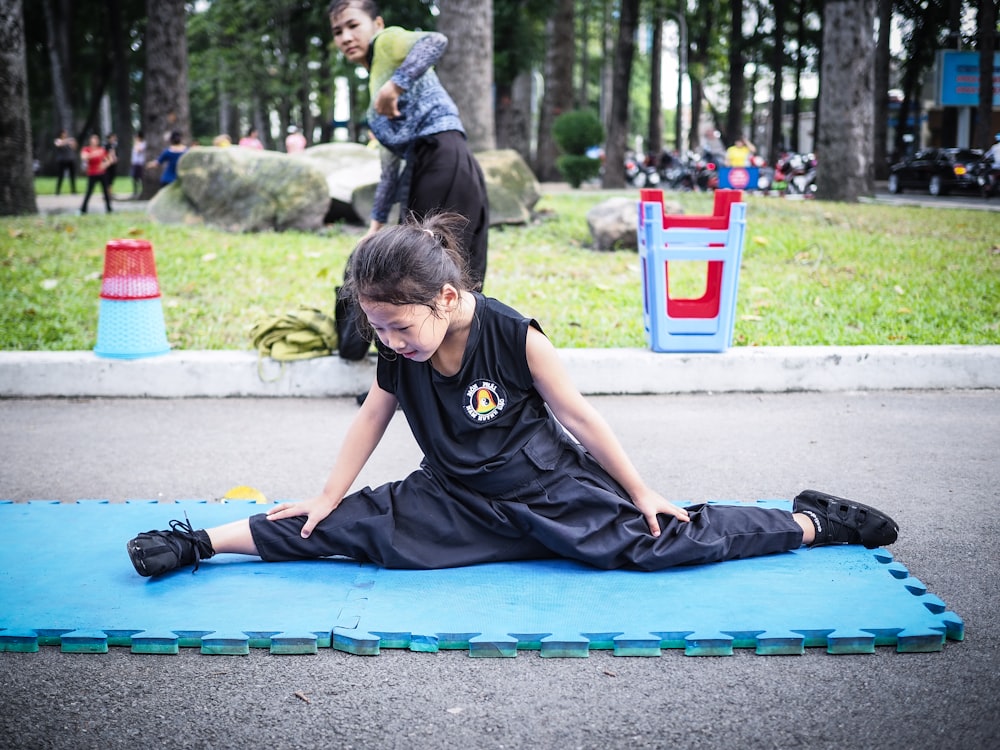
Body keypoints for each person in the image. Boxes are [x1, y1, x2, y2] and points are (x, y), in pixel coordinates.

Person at [126, 214, 899, 578]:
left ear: (449, 297)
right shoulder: (403, 350)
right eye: (377, 329)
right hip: (456, 498)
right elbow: (371, 418)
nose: (390, 343)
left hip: (550, 491)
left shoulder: (511, 334)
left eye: (398, 327)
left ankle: (810, 520)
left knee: (656, 543)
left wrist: (640, 490)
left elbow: (580, 417)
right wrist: (327, 495)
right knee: (348, 528)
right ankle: (200, 542)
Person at [329, 0, 490, 362]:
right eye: (338, 32)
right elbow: (388, 170)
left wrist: (395, 87)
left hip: (443, 156)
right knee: (430, 272)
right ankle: (427, 375)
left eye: (353, 25)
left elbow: (435, 41)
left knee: (429, 273)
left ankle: (448, 374)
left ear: (377, 23)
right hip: (427, 164)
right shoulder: (374, 85)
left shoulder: (387, 44)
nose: (346, 37)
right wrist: (373, 227)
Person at [79, 134, 115, 214]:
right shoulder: (87, 149)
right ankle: (83, 209)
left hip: (102, 173)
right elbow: (84, 157)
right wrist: (95, 154)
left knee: (105, 192)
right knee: (89, 192)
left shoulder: (101, 150)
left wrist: (105, 165)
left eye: (96, 140)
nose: (94, 141)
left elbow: (110, 159)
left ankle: (109, 209)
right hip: (92, 173)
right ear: (90, 141)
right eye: (93, 139)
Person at [53, 130, 78, 195]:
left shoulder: (70, 141)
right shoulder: (58, 140)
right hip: (62, 161)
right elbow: (58, 145)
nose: (65, 135)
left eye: (65, 133)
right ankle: (57, 191)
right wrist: (67, 141)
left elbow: (74, 148)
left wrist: (73, 143)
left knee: (72, 176)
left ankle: (73, 190)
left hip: (70, 160)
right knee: (60, 176)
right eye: (63, 133)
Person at [130, 131, 146, 197]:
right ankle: (135, 192)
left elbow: (138, 150)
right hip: (135, 163)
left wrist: (137, 143)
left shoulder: (143, 144)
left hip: (140, 163)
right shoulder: (136, 144)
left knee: (141, 178)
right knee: (133, 178)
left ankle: (141, 191)